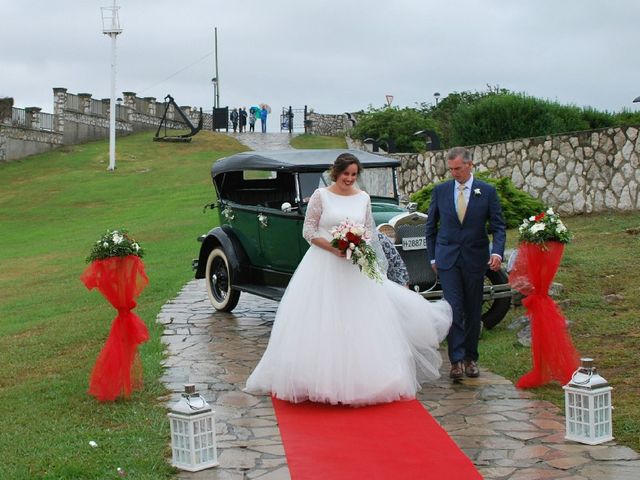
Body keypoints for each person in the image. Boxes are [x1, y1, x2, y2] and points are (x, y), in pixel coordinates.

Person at [245, 153, 452, 406]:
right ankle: (315, 378)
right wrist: (333, 247)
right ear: (336, 173)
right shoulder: (321, 196)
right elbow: (308, 230)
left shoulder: (363, 197)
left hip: (354, 265)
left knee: (361, 319)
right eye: (346, 174)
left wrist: (359, 247)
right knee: (323, 318)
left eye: (354, 175)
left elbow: (367, 230)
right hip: (324, 263)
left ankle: (367, 379)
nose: (350, 179)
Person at [425, 147, 506, 380]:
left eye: (458, 169)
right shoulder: (440, 191)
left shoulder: (487, 191)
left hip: (475, 258)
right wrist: (433, 256)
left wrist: (498, 253)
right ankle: (456, 361)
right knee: (453, 308)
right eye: (450, 169)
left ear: (470, 165)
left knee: (472, 309)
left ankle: (471, 358)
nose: (454, 173)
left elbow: (499, 226)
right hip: (447, 259)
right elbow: (431, 227)